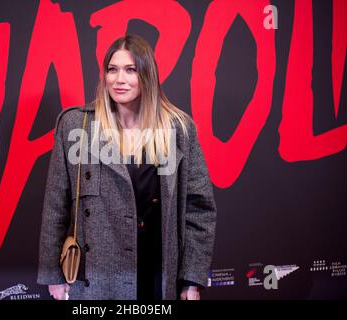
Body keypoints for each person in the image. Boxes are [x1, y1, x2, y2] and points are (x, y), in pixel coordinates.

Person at [37, 34, 217, 300]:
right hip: (95, 283)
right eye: (113, 69)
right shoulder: (77, 127)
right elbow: (55, 206)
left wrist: (192, 280)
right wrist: (53, 275)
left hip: (157, 277)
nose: (119, 79)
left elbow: (198, 209)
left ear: (147, 75)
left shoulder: (177, 129)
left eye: (130, 70)